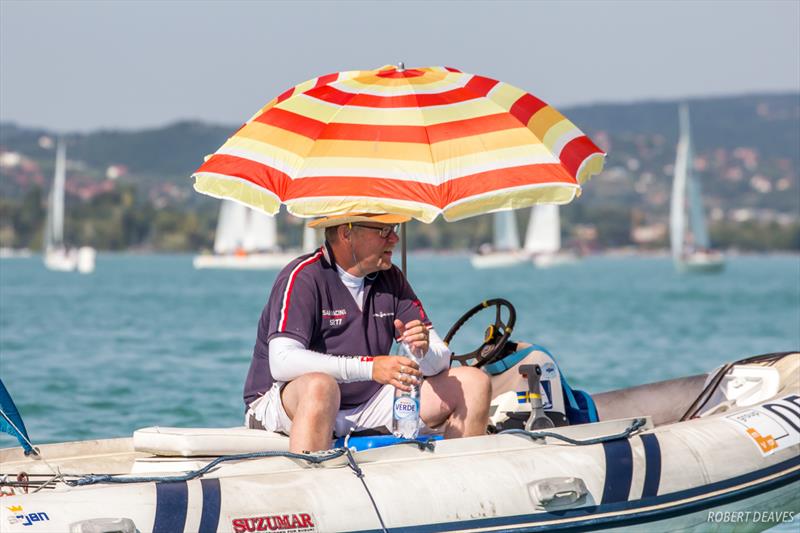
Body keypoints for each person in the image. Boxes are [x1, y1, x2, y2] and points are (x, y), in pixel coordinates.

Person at [243, 213, 492, 453]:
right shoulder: (303, 276)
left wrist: (424, 351)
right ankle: (308, 485)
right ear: (346, 233)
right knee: (321, 387)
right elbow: (282, 363)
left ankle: (457, 483)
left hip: (368, 401)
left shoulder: (392, 277)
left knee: (474, 383)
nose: (394, 239)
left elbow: (440, 360)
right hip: (283, 403)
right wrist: (371, 368)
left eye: (394, 229)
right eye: (384, 230)